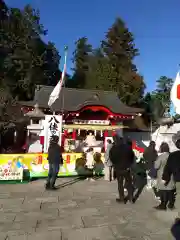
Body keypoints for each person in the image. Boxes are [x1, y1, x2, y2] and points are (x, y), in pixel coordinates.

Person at [110, 136, 134, 204]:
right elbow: (132, 156)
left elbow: (111, 158)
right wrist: (129, 165)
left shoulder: (113, 149)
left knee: (120, 184)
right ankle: (131, 198)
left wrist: (115, 165)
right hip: (126, 168)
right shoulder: (127, 147)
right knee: (129, 184)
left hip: (118, 169)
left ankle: (122, 198)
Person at [154, 142, 176, 210]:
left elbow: (156, 166)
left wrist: (155, 161)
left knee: (163, 190)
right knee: (170, 190)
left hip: (162, 175)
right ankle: (171, 204)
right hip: (171, 175)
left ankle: (162, 205)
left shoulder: (161, 156)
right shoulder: (172, 155)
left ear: (162, 149)